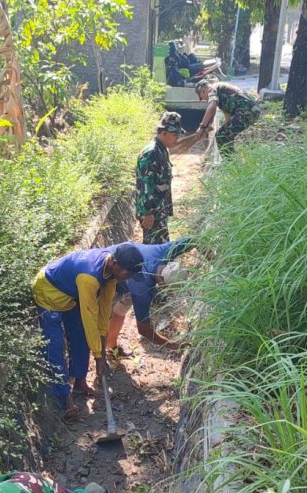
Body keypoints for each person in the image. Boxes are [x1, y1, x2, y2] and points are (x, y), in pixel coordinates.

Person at [32, 244, 144, 417]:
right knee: (54, 347)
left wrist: (101, 345)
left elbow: (104, 309)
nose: (127, 278)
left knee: (81, 337)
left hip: (70, 295)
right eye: (127, 274)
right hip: (49, 294)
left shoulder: (112, 273)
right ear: (115, 263)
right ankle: (64, 399)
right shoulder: (89, 277)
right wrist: (99, 357)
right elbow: (90, 316)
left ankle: (79, 382)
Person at [104, 237, 196, 357]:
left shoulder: (165, 252)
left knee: (124, 304)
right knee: (100, 318)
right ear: (162, 282)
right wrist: (172, 345)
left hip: (121, 256)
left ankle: (111, 347)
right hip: (107, 274)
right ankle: (99, 356)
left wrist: (212, 258)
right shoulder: (142, 289)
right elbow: (144, 330)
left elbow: (193, 240)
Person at [135, 112, 183, 244]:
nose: (177, 139)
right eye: (174, 135)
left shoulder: (162, 149)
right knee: (155, 248)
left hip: (159, 208)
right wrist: (148, 212)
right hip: (152, 211)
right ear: (164, 133)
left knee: (159, 244)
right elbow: (145, 184)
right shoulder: (151, 152)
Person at [193, 78, 261, 151]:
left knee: (221, 136)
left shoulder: (211, 89)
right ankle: (232, 158)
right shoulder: (221, 91)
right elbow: (227, 117)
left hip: (246, 110)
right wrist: (211, 127)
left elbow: (212, 106)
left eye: (201, 97)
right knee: (226, 134)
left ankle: (229, 160)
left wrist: (202, 127)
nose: (205, 100)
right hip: (253, 110)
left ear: (202, 90)